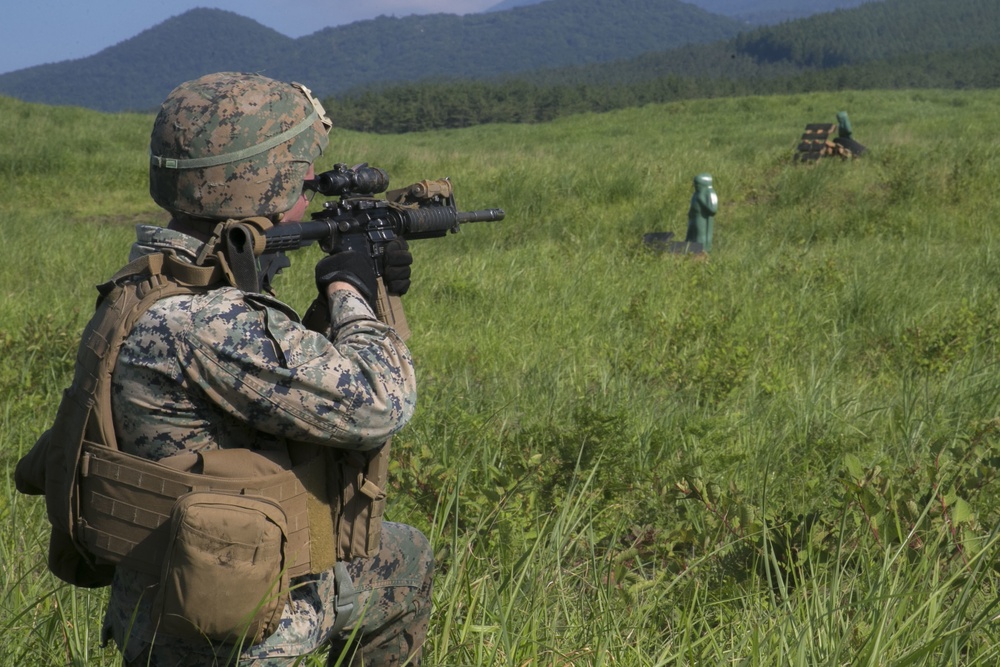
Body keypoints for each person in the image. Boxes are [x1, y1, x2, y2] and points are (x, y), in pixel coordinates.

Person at [15, 72, 433, 666]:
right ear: (266, 184)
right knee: (406, 565)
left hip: (161, 593)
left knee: (401, 552)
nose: (309, 195)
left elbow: (272, 381)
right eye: (303, 178)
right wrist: (352, 290)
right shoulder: (208, 323)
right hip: (234, 624)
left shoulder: (147, 288)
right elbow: (380, 404)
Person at [685, 173, 719, 253]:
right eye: (695, 184)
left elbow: (713, 209)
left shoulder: (710, 193)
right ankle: (688, 250)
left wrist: (702, 201)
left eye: (698, 184)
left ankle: (701, 252)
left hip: (702, 218)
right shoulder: (696, 193)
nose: (696, 186)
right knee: (691, 234)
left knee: (700, 236)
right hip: (693, 217)